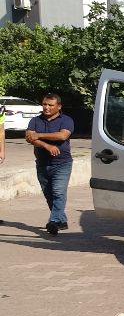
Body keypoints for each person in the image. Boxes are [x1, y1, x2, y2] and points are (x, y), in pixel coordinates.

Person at [25, 94, 74, 235]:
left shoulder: (66, 120)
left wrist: (38, 135)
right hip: (42, 163)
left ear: (59, 106)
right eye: (44, 104)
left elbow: (62, 136)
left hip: (62, 164)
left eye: (50, 105)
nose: (46, 107)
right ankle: (61, 220)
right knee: (49, 194)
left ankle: (53, 222)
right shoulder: (35, 120)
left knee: (58, 192)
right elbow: (29, 137)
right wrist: (46, 146)